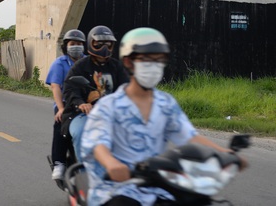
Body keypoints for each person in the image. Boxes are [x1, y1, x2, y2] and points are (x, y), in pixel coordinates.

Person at [80, 27, 248, 206]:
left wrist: (225, 154)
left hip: (160, 187)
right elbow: (98, 145)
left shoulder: (166, 103)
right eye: (147, 60)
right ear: (129, 62)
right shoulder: (108, 106)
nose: (154, 66)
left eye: (159, 60)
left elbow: (189, 137)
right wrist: (111, 163)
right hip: (117, 189)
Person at [62, 25, 130, 164]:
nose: (104, 47)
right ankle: (85, 170)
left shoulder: (117, 67)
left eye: (108, 44)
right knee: (82, 133)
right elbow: (70, 88)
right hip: (81, 114)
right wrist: (81, 103)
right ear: (91, 44)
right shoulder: (81, 66)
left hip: (111, 114)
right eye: (99, 43)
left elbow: (127, 88)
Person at [46, 29, 87, 180]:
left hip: (86, 103)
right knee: (60, 124)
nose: (76, 46)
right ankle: (59, 162)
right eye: (72, 44)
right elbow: (55, 86)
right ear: (66, 46)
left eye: (79, 44)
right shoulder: (60, 63)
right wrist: (61, 109)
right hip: (65, 103)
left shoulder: (88, 62)